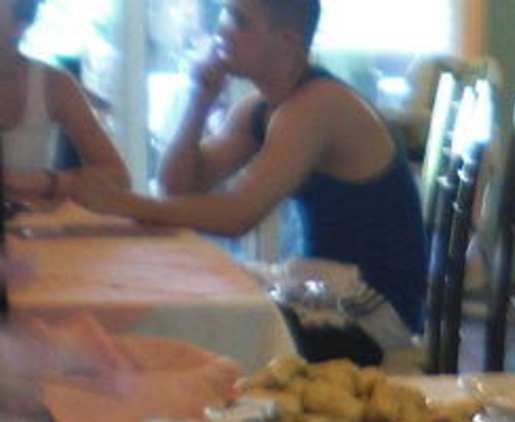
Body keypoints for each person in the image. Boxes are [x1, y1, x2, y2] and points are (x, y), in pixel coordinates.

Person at [73, 0, 428, 351]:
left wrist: (121, 203)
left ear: (286, 42)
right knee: (179, 301)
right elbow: (177, 187)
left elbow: (238, 215)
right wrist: (200, 99)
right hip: (322, 288)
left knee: (187, 327)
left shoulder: (318, 105)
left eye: (239, 20)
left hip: (373, 314)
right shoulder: (262, 107)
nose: (222, 28)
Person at [2, 0, 130, 206]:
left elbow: (118, 178)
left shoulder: (53, 84)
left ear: (21, 23)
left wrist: (42, 182)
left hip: (30, 221)